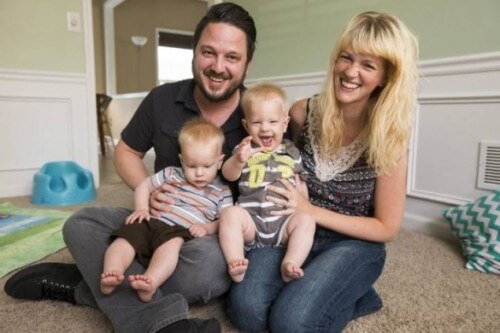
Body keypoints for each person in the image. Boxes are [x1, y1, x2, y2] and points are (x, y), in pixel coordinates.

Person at [4, 3, 256, 333]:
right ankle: (160, 322)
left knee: (209, 270)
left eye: (232, 57)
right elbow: (125, 151)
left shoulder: (258, 115)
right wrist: (148, 195)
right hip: (156, 218)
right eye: (208, 52)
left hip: (204, 235)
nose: (218, 66)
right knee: (82, 223)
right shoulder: (163, 99)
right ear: (194, 53)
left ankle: (88, 286)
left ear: (247, 64)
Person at [227, 11, 419, 332]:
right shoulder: (302, 112)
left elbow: (386, 228)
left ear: (385, 76)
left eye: (368, 65)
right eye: (347, 58)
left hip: (353, 243)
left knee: (291, 322)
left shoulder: (389, 140)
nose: (351, 72)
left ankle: (348, 290)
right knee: (245, 309)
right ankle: (342, 293)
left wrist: (310, 210)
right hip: (292, 228)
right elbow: (280, 162)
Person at [101, 119, 232, 303]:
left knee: (170, 247)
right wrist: (141, 208)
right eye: (191, 166)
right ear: (182, 160)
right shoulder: (171, 173)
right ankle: (111, 273)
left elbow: (227, 221)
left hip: (178, 232)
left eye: (206, 166)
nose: (199, 173)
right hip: (152, 220)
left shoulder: (222, 192)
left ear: (219, 162)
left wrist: (208, 228)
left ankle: (150, 282)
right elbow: (143, 187)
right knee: (125, 238)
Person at [218, 83, 315, 283]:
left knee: (307, 221)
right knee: (230, 214)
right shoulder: (244, 150)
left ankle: (291, 263)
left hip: (283, 224)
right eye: (256, 122)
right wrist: (238, 160)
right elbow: (228, 175)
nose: (265, 128)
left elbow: (301, 184)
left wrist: (303, 205)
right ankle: (236, 261)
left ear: (285, 123)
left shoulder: (292, 152)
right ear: (246, 125)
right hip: (251, 223)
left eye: (273, 121)